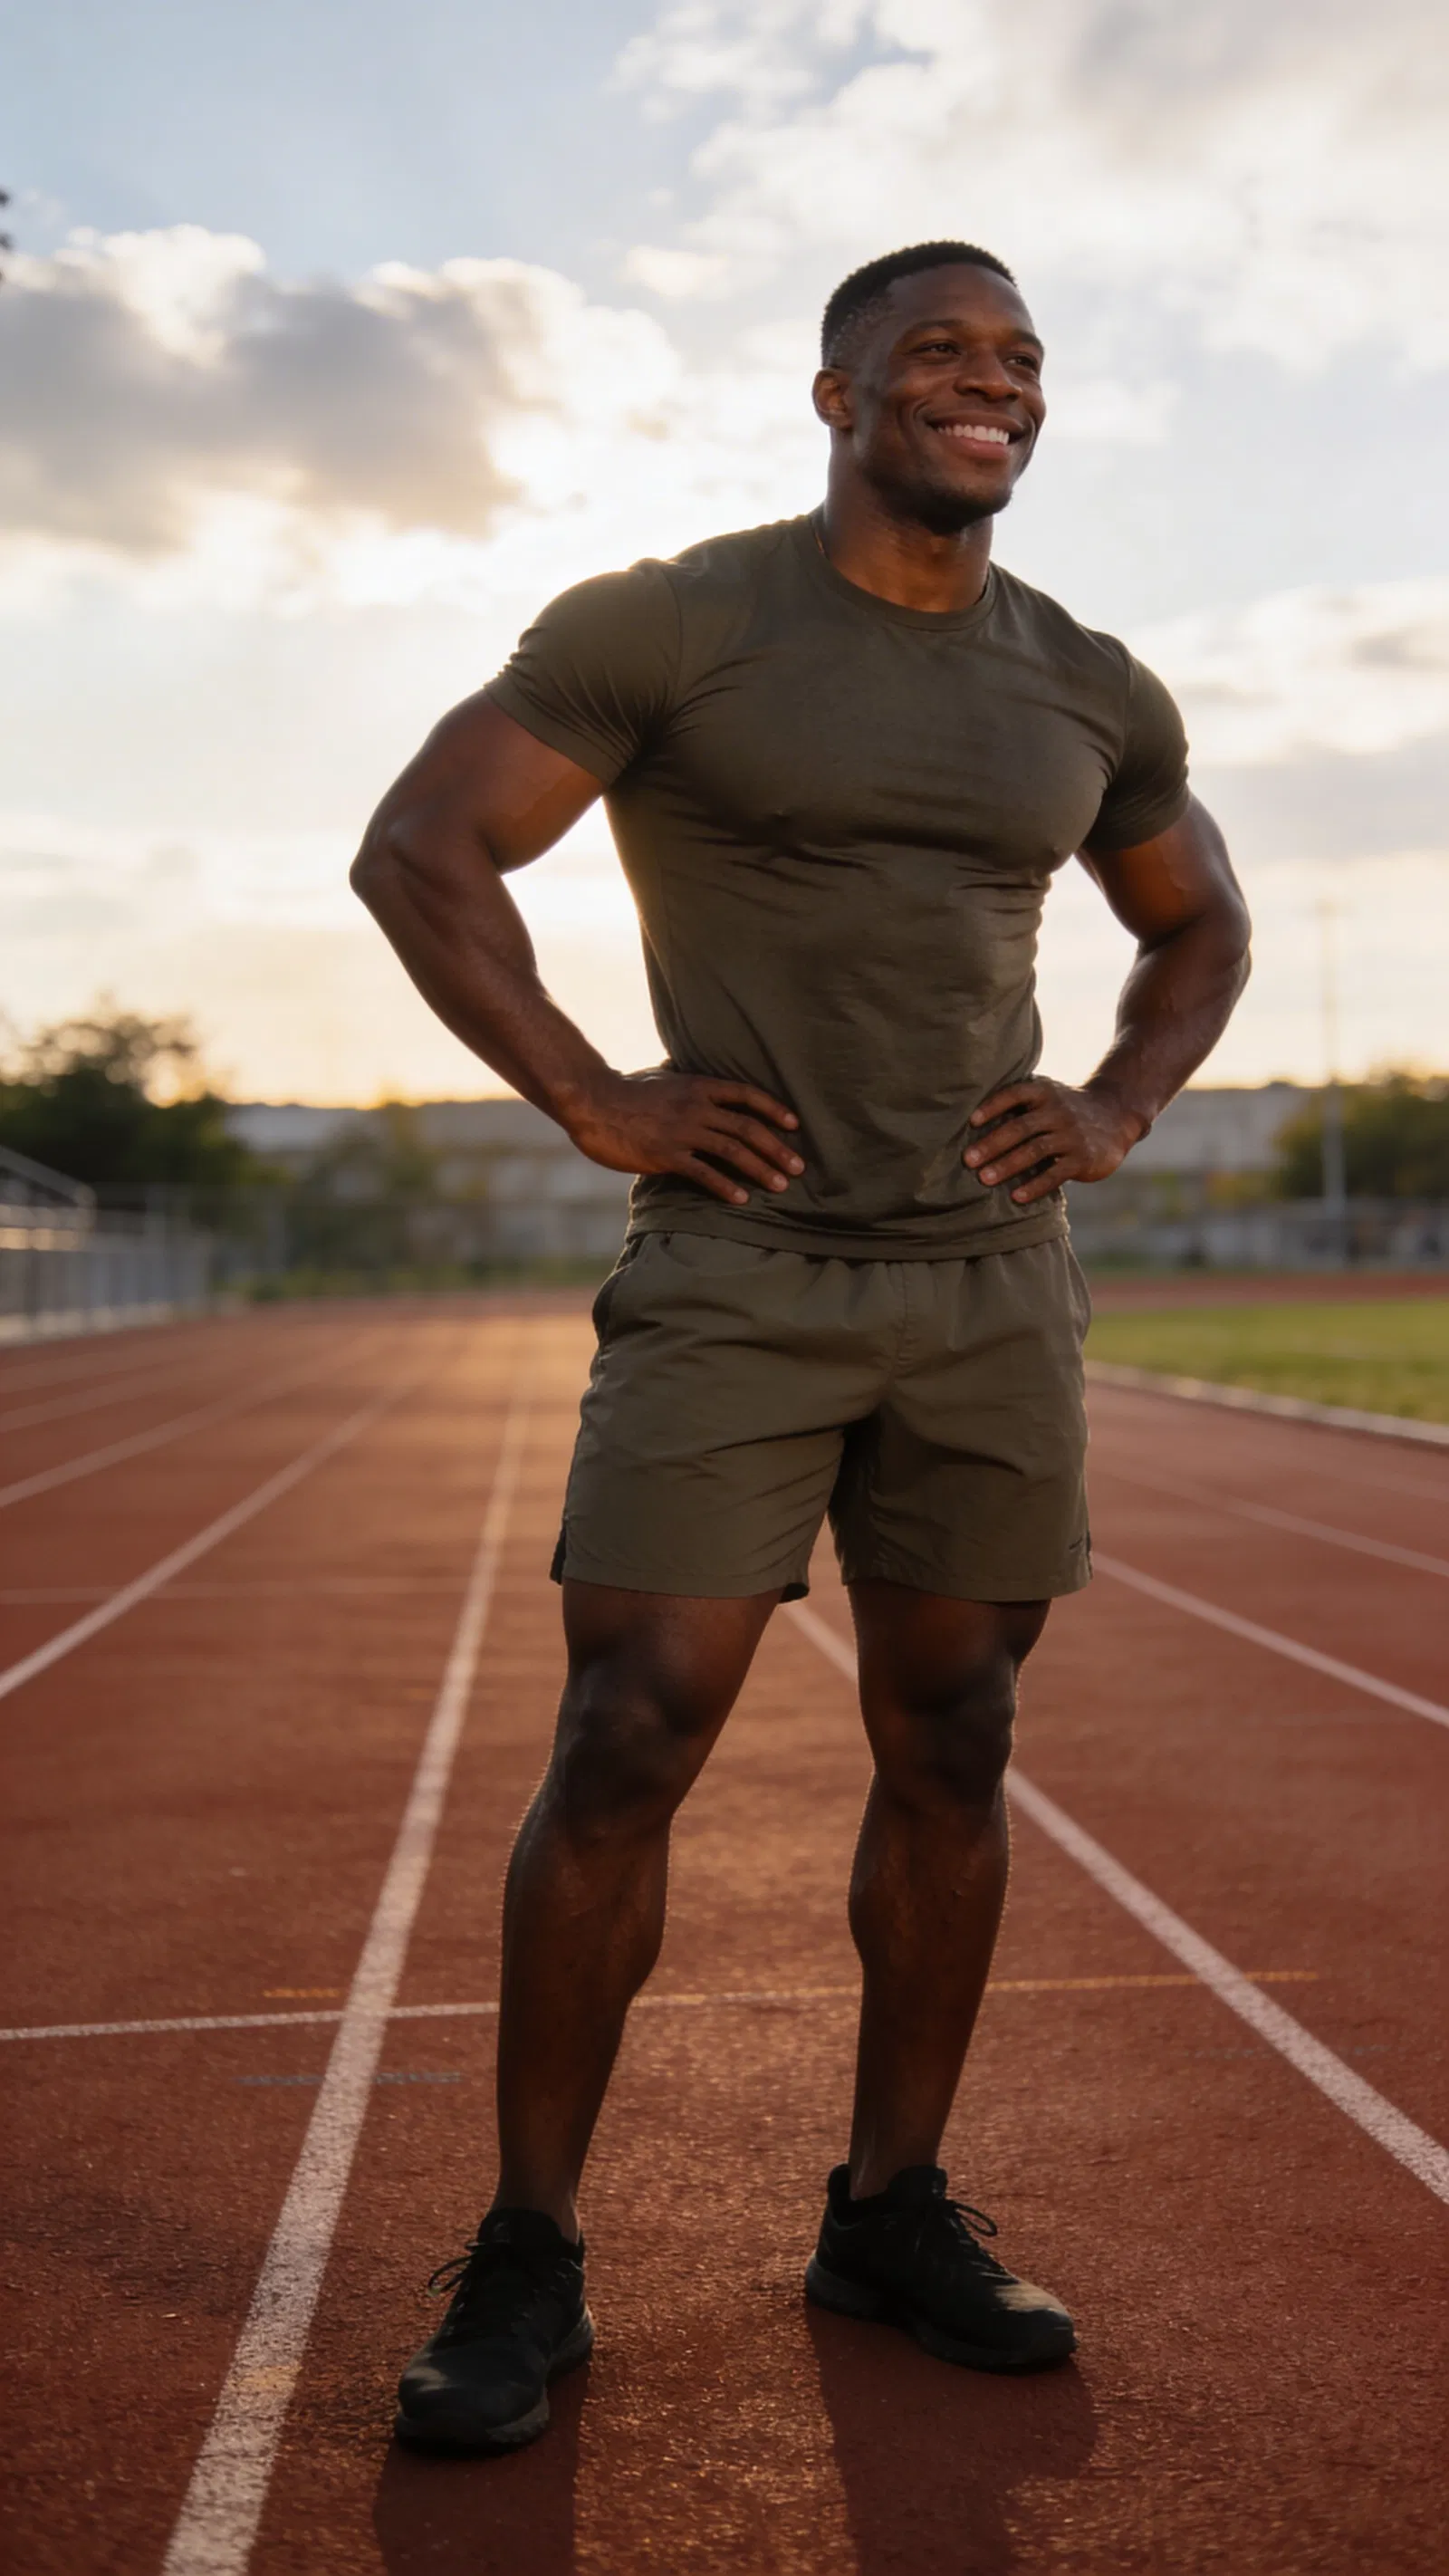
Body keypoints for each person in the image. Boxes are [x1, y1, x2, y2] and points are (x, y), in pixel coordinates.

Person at [352, 238, 1250, 2455]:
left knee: (953, 1732)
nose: (991, 385)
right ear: (833, 387)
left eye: (1021, 360)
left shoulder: (1085, 683)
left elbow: (1196, 913)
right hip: (739, 1267)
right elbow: (422, 848)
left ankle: (886, 2205)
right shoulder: (678, 621)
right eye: (942, 351)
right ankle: (529, 2256)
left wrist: (1122, 1103)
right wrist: (590, 1094)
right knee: (631, 1726)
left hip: (983, 1285)